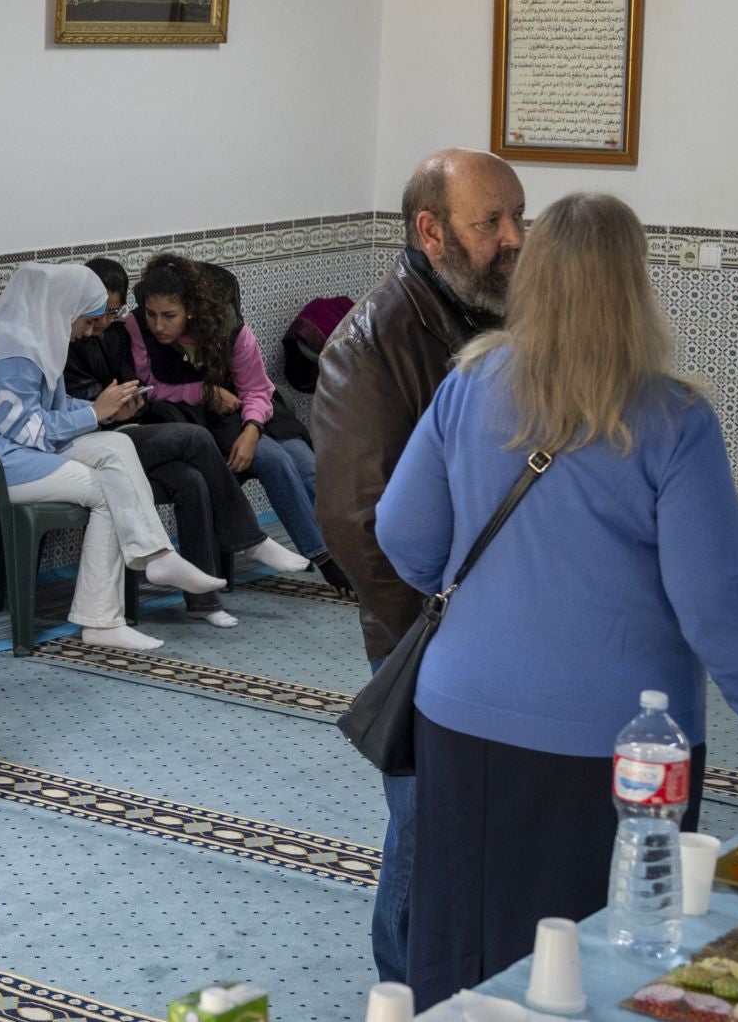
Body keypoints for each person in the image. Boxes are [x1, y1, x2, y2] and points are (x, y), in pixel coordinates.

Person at [374, 192, 738, 1008]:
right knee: (605, 951)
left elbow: (401, 532)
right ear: (635, 285)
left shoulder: (470, 383)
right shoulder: (674, 417)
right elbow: (716, 599)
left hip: (461, 714)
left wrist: (495, 608)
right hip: (624, 743)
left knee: (466, 938)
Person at [312, 147, 525, 984]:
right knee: (426, 829)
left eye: (517, 217)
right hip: (427, 640)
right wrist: (435, 639)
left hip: (502, 629)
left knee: (480, 829)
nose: (512, 239)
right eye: (490, 223)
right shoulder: (372, 343)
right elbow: (359, 526)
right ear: (430, 232)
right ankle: (403, 992)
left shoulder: (495, 308)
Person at [0, 262, 229, 653]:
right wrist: (93, 414)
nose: (88, 332)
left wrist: (104, 410)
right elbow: (30, 431)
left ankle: (157, 555)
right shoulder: (12, 351)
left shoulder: (32, 339)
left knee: (118, 445)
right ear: (63, 309)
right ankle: (102, 618)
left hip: (21, 453)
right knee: (107, 488)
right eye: (86, 322)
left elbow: (43, 412)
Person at [65, 257, 310, 628]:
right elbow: (65, 408)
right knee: (196, 438)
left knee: (192, 481)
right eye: (96, 313)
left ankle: (203, 602)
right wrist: (106, 411)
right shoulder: (69, 338)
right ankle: (248, 538)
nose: (103, 321)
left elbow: (142, 387)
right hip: (94, 438)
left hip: (129, 430)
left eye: (112, 310)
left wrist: (131, 403)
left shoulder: (113, 332)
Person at [124, 253, 349, 596]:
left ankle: (354, 553)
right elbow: (148, 384)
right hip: (195, 419)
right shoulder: (136, 326)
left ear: (191, 310)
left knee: (304, 464)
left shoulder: (230, 329)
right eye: (152, 314)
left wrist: (252, 429)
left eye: (169, 316)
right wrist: (202, 391)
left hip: (251, 412)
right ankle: (326, 560)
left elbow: (257, 389)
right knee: (274, 460)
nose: (158, 325)